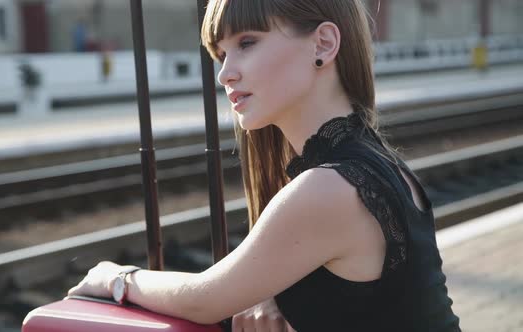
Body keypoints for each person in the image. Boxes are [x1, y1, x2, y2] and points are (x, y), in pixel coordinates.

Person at [67, 1, 462, 331]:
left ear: (323, 43)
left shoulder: (331, 187)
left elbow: (205, 299)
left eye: (247, 43)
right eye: (221, 54)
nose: (225, 73)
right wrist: (284, 293)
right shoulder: (375, 163)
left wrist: (115, 278)